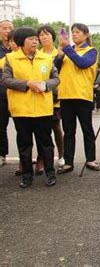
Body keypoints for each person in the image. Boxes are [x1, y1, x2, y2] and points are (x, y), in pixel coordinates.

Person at [1, 27, 59, 188]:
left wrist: (46, 85)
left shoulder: (46, 58)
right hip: (22, 109)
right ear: (21, 41)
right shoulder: (11, 59)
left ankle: (50, 173)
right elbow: (5, 81)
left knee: (46, 143)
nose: (35, 41)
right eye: (30, 39)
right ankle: (27, 175)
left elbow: (56, 79)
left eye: (35, 38)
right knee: (25, 144)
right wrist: (27, 84)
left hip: (43, 108)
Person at [55, 23, 100, 173]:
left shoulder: (91, 51)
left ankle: (91, 159)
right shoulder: (68, 51)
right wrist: (60, 55)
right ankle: (68, 162)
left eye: (78, 32)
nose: (74, 34)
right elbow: (55, 68)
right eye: (73, 32)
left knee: (87, 129)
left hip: (82, 95)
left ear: (86, 34)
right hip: (66, 95)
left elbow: (82, 63)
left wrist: (67, 49)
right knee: (68, 130)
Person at [37, 25, 65, 172]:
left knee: (56, 126)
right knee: (41, 129)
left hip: (55, 96)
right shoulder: (36, 54)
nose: (44, 37)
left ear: (52, 36)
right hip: (39, 96)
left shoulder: (58, 53)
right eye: (41, 35)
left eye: (47, 34)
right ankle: (42, 158)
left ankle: (61, 155)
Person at [0, 20, 14, 166]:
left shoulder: (19, 48)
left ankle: (26, 159)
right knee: (1, 125)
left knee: (23, 127)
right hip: (1, 93)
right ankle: (2, 153)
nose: (7, 31)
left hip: (17, 92)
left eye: (10, 28)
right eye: (4, 28)